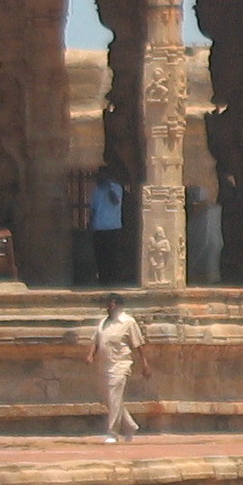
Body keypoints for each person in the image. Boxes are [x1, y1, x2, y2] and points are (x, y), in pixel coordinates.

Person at [87, 293, 147, 442]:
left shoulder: (128, 322)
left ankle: (112, 432)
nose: (108, 307)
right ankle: (130, 425)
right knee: (109, 399)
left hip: (121, 364)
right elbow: (96, 340)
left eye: (111, 304)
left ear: (117, 305)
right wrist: (90, 355)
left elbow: (138, 344)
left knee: (114, 397)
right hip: (104, 365)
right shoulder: (103, 323)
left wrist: (145, 364)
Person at [87, 165, 126, 286]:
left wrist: (109, 186)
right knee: (100, 254)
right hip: (99, 226)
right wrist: (90, 223)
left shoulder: (117, 188)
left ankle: (113, 278)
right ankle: (102, 277)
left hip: (113, 226)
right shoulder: (96, 191)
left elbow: (115, 201)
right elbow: (93, 209)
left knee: (113, 254)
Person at [185, 185, 222, 287]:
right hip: (196, 225)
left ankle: (209, 275)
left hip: (209, 214)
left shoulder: (213, 211)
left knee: (212, 245)